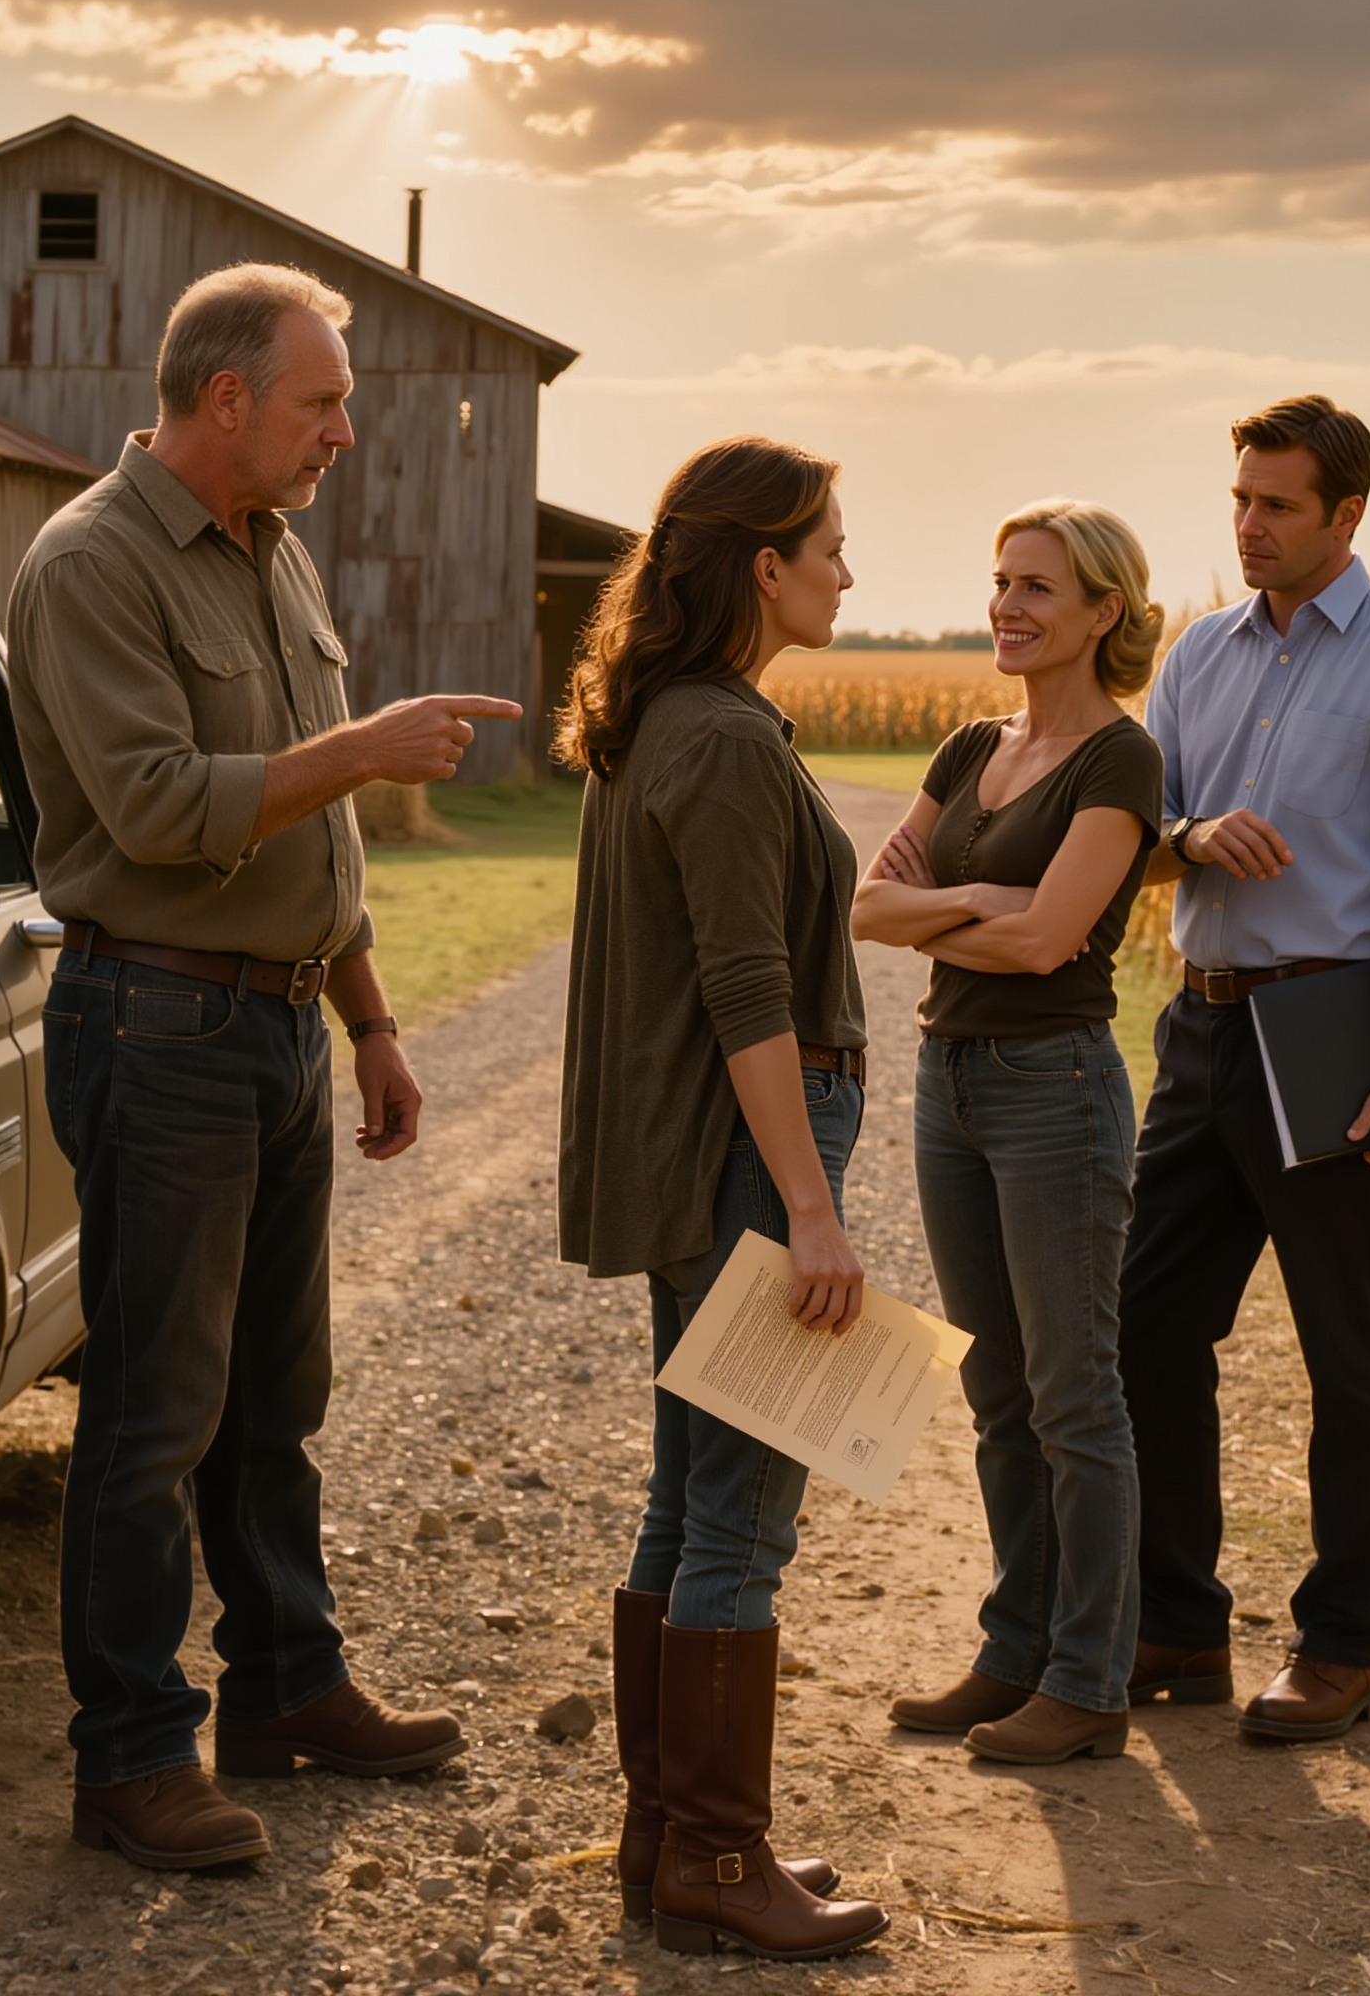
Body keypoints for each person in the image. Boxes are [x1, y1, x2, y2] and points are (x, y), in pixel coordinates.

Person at [8, 262, 523, 1869]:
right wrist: (367, 749)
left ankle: (288, 1690)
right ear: (224, 398)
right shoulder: (92, 564)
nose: (345, 434)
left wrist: (366, 1016)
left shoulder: (276, 551)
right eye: (321, 403)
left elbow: (316, 833)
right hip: (151, 1024)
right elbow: (164, 808)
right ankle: (129, 1762)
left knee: (273, 1394)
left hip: (280, 1024)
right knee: (156, 1409)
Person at [557, 436, 889, 1961]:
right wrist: (813, 1212)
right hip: (749, 1155)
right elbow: (749, 988)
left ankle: (667, 1837)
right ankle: (714, 1854)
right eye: (827, 544)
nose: (844, 568)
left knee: (687, 1501)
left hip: (699, 1153)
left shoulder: (666, 724)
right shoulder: (729, 741)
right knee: (743, 1524)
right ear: (763, 564)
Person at [1117, 394, 1370, 1742]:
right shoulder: (1200, 657)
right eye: (1241, 501)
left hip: (1335, 1036)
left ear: (1346, 517)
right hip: (1202, 1029)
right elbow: (1140, 830)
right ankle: (1178, 1625)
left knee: (1349, 1352)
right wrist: (1195, 833)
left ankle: (1344, 1646)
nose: (1250, 526)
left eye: (1278, 505)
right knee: (1147, 1325)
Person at [851, 501, 1166, 1765]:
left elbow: (1051, 943)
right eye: (999, 583)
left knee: (1071, 1394)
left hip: (1056, 1089)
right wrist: (982, 895)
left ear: (1101, 611)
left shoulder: (1119, 763)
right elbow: (865, 907)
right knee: (992, 1388)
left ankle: (1087, 1677)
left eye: (1037, 587)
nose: (1007, 607)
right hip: (952, 1081)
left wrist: (958, 906)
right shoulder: (967, 742)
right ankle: (1011, 1649)